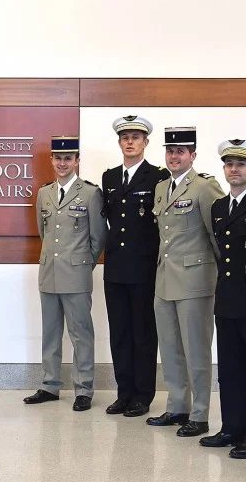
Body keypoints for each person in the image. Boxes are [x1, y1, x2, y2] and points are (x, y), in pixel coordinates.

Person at [146, 127, 225, 437]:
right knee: (170, 349)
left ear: (193, 155)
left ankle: (200, 414)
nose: (174, 156)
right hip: (165, 279)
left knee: (196, 351)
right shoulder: (161, 187)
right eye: (170, 151)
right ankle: (178, 406)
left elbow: (218, 234)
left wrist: (220, 274)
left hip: (195, 280)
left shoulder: (205, 187)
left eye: (180, 151)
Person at [24, 136, 107, 411]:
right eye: (58, 158)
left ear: (77, 161)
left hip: (76, 274)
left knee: (80, 333)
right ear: (52, 160)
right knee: (50, 333)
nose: (62, 163)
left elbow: (98, 238)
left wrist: (82, 263)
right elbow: (44, 232)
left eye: (68, 158)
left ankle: (83, 389)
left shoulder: (90, 194)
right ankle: (50, 385)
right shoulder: (44, 193)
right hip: (49, 272)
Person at [200, 139, 246, 459]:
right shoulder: (218, 207)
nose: (234, 169)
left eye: (241, 164)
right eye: (229, 164)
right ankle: (232, 428)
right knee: (229, 370)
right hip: (227, 298)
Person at [101, 116, 169, 418]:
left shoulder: (158, 176)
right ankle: (124, 393)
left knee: (143, 334)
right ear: (119, 142)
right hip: (116, 266)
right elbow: (110, 219)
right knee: (119, 333)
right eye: (125, 137)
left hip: (144, 267)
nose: (130, 142)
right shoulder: (110, 178)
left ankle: (143, 395)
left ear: (145, 143)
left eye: (136, 137)